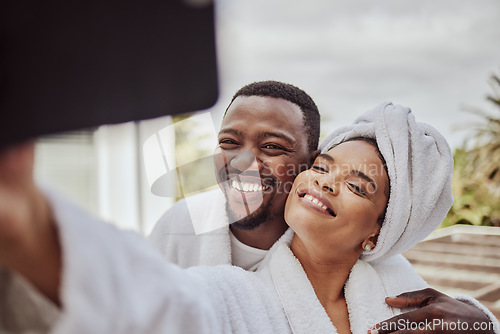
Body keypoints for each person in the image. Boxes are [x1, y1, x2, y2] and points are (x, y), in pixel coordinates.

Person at [0, 103, 498, 334]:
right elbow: (157, 302)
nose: (324, 181)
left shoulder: (411, 307)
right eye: (323, 167)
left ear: (379, 231)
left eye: (356, 184)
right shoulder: (240, 297)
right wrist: (34, 228)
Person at [148, 81, 497, 331]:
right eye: (228, 141)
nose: (242, 161)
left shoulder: (390, 285)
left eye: (272, 147)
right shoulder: (200, 254)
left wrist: (482, 322)